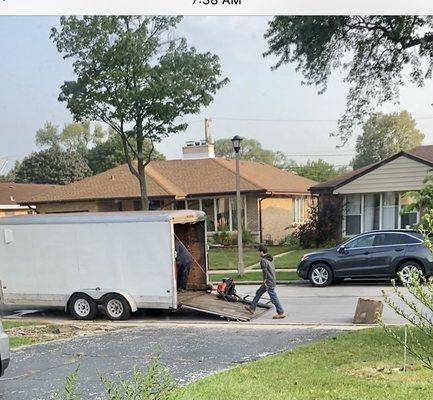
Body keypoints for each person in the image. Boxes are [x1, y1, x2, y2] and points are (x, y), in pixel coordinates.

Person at [244, 244, 286, 319]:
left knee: (273, 297)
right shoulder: (270, 258)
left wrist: (264, 280)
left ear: (262, 252)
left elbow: (265, 271)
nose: (259, 253)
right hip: (272, 279)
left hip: (268, 282)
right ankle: (252, 308)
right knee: (258, 292)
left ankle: (280, 312)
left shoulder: (263, 260)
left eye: (259, 252)